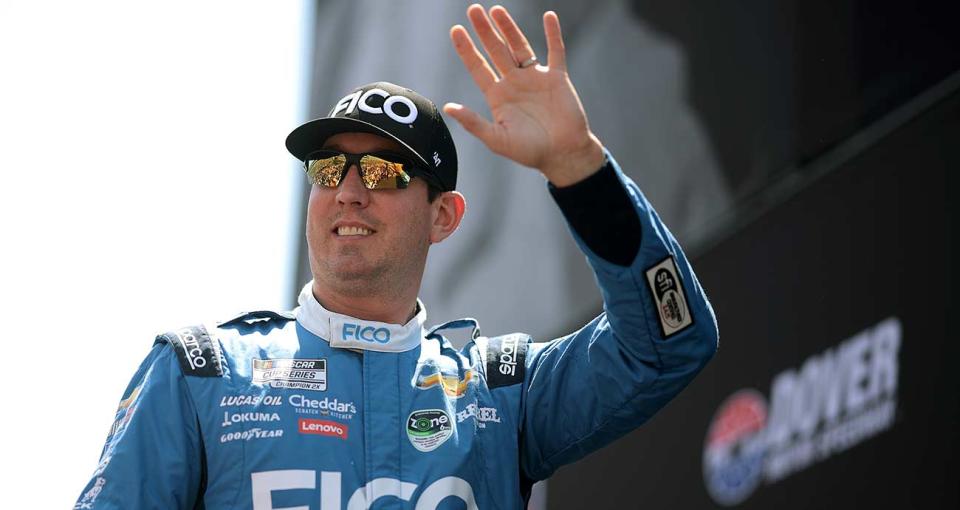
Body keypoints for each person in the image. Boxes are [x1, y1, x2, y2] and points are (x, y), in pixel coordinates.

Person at [74, 4, 718, 509]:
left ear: (443, 216)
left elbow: (666, 343)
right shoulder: (202, 375)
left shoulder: (502, 392)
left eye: (382, 173)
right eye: (329, 169)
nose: (349, 192)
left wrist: (580, 170)